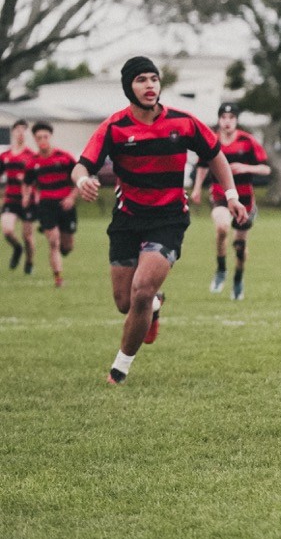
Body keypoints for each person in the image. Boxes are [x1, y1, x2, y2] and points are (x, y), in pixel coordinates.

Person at [71, 56, 247, 385]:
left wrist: (232, 195)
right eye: (141, 79)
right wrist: (82, 181)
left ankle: (119, 370)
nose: (150, 85)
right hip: (126, 219)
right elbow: (82, 165)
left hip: (168, 218)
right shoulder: (114, 127)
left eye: (154, 78)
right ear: (129, 87)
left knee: (140, 289)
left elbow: (214, 156)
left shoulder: (183, 122)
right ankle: (153, 306)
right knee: (126, 303)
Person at [191, 102, 270, 300]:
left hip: (245, 200)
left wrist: (246, 168)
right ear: (219, 120)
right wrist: (197, 189)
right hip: (221, 195)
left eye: (231, 118)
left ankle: (238, 279)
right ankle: (221, 269)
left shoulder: (247, 141)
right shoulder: (211, 140)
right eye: (224, 118)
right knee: (222, 228)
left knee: (240, 247)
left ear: (236, 120)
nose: (227, 122)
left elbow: (266, 168)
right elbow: (202, 165)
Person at [24, 122, 79, 287]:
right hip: (47, 205)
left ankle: (64, 247)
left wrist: (71, 197)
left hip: (66, 205)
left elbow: (79, 179)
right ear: (34, 139)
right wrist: (27, 196)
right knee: (53, 242)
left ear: (50, 137)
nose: (42, 140)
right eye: (38, 137)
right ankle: (58, 279)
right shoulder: (32, 162)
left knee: (67, 246)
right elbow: (27, 183)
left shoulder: (64, 157)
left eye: (45, 137)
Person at [1, 119, 36, 274]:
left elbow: (39, 177)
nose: (20, 133)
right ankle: (17, 248)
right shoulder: (5, 155)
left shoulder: (31, 155)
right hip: (10, 199)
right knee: (7, 231)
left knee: (28, 238)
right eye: (18, 130)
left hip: (27, 201)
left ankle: (29, 264)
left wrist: (28, 180)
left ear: (26, 133)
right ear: (13, 132)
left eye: (24, 130)